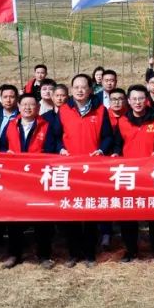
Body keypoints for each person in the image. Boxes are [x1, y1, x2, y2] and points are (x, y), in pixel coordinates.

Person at [112, 84, 154, 266]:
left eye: (141, 98)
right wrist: (115, 153)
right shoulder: (122, 121)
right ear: (128, 101)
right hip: (129, 175)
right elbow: (117, 144)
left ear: (146, 100)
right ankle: (130, 250)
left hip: (151, 175)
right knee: (128, 215)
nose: (138, 102)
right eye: (134, 99)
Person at [57, 74, 114, 265]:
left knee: (90, 211)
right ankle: (74, 253)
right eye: (76, 87)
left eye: (84, 87)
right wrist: (60, 148)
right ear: (71, 90)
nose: (80, 90)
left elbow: (108, 136)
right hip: (70, 169)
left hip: (92, 169)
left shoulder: (100, 110)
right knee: (71, 212)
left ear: (90, 90)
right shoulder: (64, 110)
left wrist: (102, 149)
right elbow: (55, 136)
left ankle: (90, 253)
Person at [0, 93, 61, 268]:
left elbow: (51, 149)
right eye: (24, 104)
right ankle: (14, 254)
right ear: (18, 107)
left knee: (42, 218)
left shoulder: (46, 126)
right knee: (14, 217)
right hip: (16, 178)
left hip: (39, 178)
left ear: (38, 108)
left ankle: (44, 255)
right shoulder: (11, 125)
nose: (27, 108)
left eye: (31, 105)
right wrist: (5, 153)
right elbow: (2, 146)